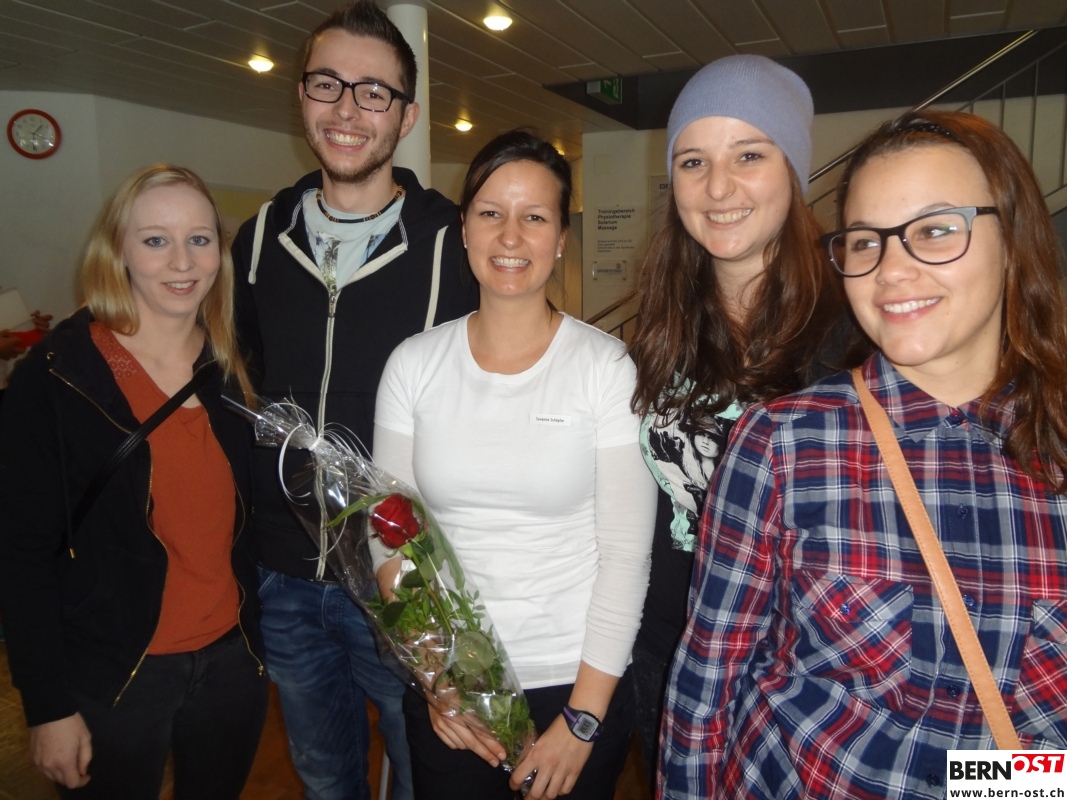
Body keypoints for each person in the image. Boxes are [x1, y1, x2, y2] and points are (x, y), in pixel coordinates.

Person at [660, 108, 1067, 799]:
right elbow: (710, 681)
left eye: (934, 230)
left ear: (1014, 240)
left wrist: (990, 782)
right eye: (865, 241)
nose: (891, 270)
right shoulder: (784, 442)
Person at [231, 2, 478, 798]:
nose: (346, 109)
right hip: (284, 576)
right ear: (301, 95)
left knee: (421, 769)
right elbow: (245, 379)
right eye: (326, 83)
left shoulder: (454, 244)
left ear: (406, 116)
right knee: (321, 772)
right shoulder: (258, 239)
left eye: (373, 92)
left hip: (401, 576)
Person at [372, 130, 657, 800]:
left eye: (534, 217)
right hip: (453, 688)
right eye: (491, 213)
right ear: (464, 228)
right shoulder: (413, 365)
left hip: (574, 682)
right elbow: (389, 536)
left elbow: (625, 555)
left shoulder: (605, 368)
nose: (510, 236)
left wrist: (583, 718)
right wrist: (437, 679)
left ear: (560, 239)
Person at [0, 164, 267, 799]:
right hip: (114, 674)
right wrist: (48, 704)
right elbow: (20, 551)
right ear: (117, 250)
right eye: (155, 240)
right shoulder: (60, 375)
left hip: (231, 661)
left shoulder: (235, 363)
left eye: (200, 239)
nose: (183, 261)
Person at [626, 54, 856, 785]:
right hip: (669, 646)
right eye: (693, 161)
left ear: (793, 169)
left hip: (801, 663)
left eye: (748, 155)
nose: (718, 187)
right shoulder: (663, 326)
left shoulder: (856, 333)